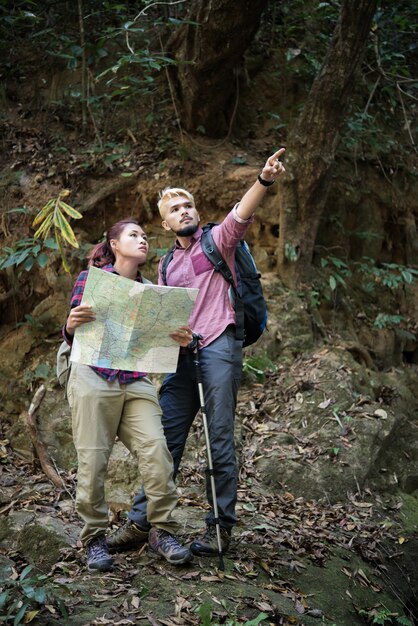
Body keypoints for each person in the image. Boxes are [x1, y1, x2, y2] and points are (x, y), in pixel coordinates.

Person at [107, 149, 286, 557]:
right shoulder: (167, 265)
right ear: (165, 222)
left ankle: (220, 529)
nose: (184, 211)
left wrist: (264, 179)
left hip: (220, 347)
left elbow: (240, 214)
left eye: (188, 205)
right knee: (164, 440)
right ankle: (141, 522)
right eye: (175, 208)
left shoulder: (216, 241)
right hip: (180, 358)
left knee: (218, 440)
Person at [63, 218, 195, 572]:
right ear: (114, 244)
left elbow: (158, 347)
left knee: (157, 450)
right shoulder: (91, 280)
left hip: (135, 380)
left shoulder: (152, 290)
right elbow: (73, 332)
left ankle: (161, 530)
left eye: (145, 235)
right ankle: (93, 539)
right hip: (93, 375)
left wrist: (181, 342)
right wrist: (70, 325)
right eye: (133, 235)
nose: (143, 240)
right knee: (93, 461)